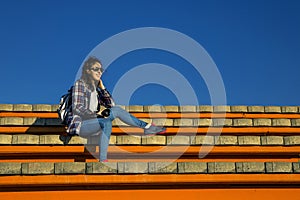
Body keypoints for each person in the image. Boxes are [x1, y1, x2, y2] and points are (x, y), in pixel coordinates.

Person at [66, 56, 166, 162]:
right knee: (107, 121)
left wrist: (102, 88)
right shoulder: (80, 84)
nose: (100, 72)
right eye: (96, 69)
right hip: (82, 125)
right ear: (87, 70)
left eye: (101, 70)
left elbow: (112, 105)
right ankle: (103, 159)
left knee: (114, 113)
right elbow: (77, 107)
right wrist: (95, 114)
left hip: (96, 123)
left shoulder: (97, 90)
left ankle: (147, 127)